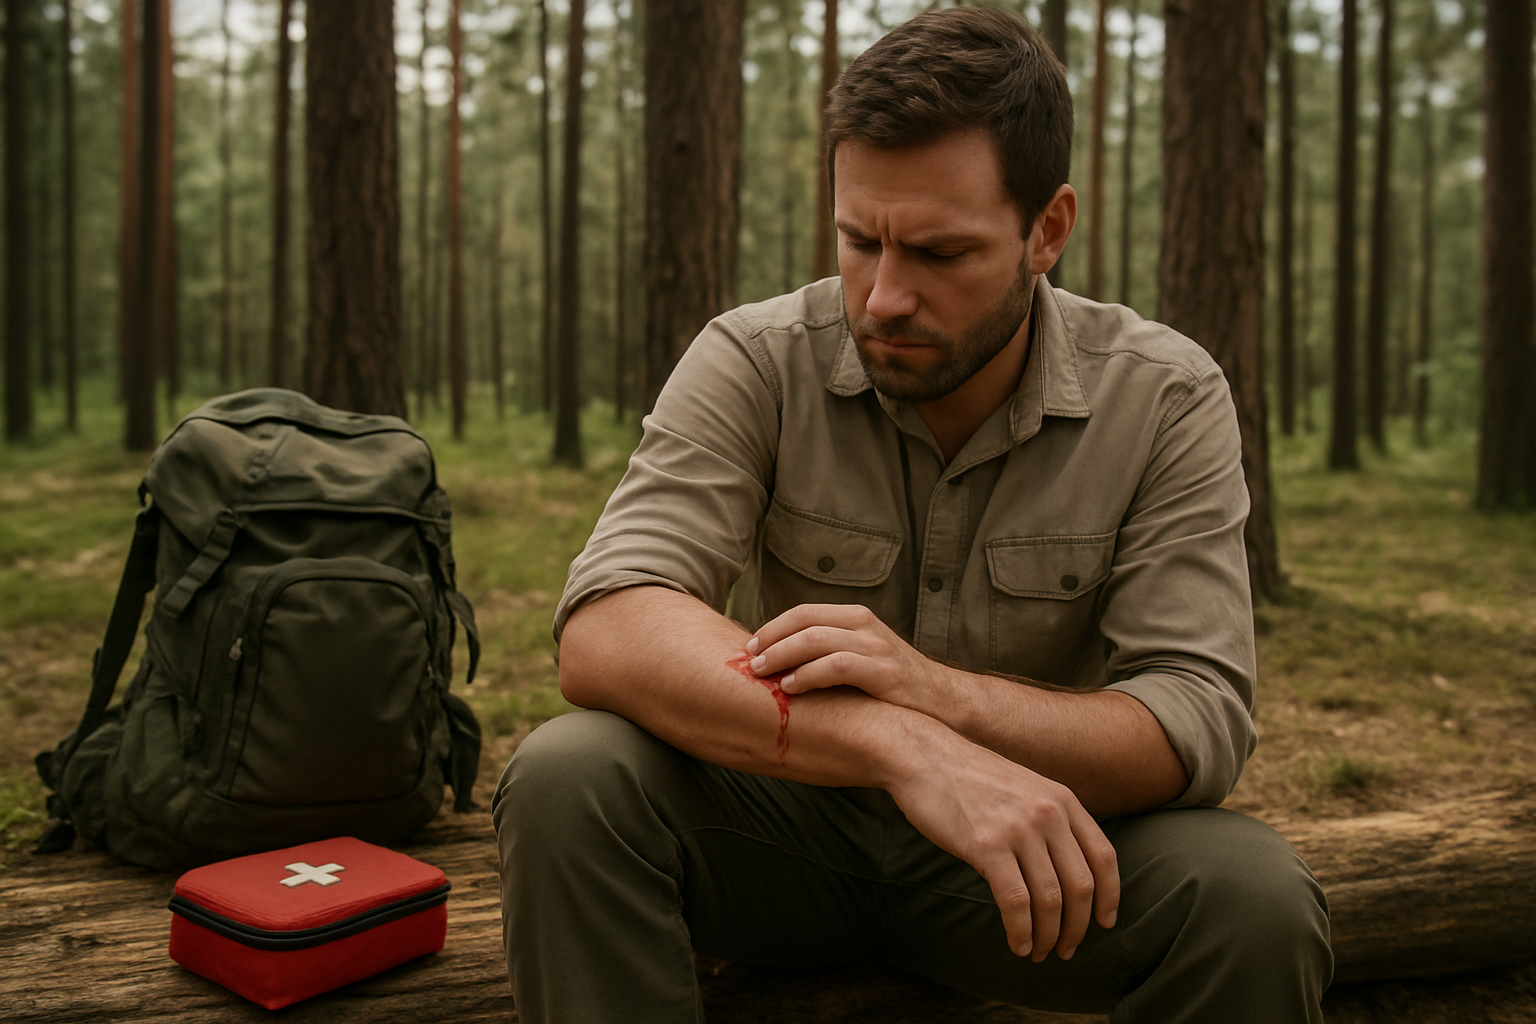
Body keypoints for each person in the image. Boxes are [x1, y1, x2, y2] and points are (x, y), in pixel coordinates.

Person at [493, 7, 1331, 1023]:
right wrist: (904, 743)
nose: (884, 295)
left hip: (1025, 866)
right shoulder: (757, 357)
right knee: (568, 775)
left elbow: (1193, 719)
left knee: (1252, 899)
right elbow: (612, 622)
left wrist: (950, 702)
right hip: (782, 832)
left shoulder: (1162, 396)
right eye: (859, 240)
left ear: (1047, 232)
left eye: (939, 252)